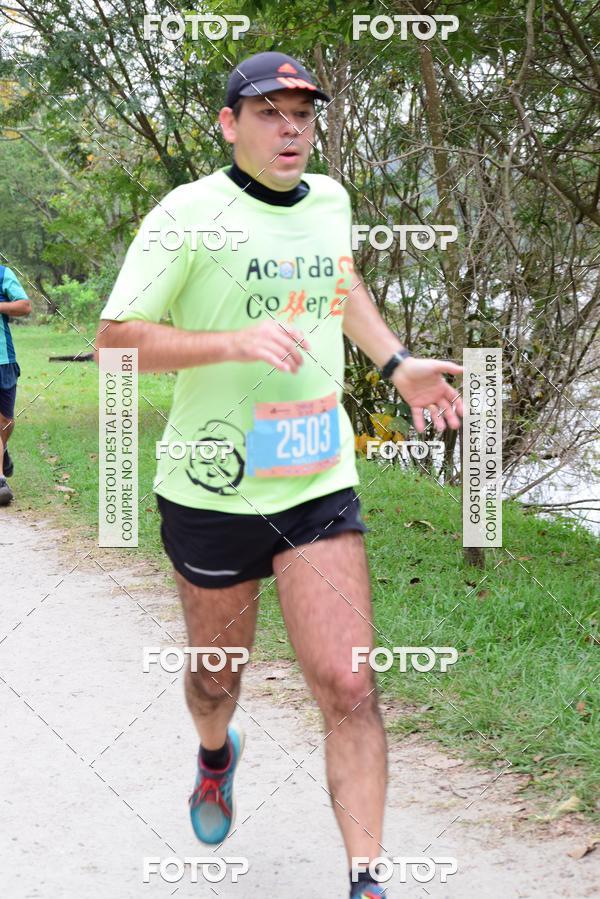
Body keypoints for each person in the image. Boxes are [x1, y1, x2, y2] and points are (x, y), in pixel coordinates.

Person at [95, 51, 463, 898]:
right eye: (269, 113)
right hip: (212, 486)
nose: (291, 128)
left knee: (349, 681)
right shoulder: (188, 215)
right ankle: (216, 754)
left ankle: (366, 878)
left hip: (316, 479)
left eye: (302, 112)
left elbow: (340, 282)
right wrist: (229, 340)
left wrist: (396, 361)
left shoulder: (329, 199)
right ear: (229, 126)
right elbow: (116, 340)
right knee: (216, 676)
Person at [0, 263, 31, 506]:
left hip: (3, 359)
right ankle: (0, 481)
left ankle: (2, 448)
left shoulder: (3, 274)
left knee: (5, 422)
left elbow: (24, 305)